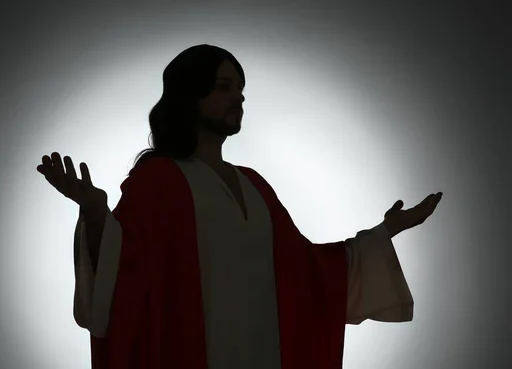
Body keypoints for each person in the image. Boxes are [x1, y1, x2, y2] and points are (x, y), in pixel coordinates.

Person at [37, 44, 443, 369]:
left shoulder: (254, 185)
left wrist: (385, 231)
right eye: (224, 86)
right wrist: (95, 214)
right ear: (190, 93)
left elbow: (307, 268)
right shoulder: (158, 180)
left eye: (241, 89)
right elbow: (125, 273)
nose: (239, 97)